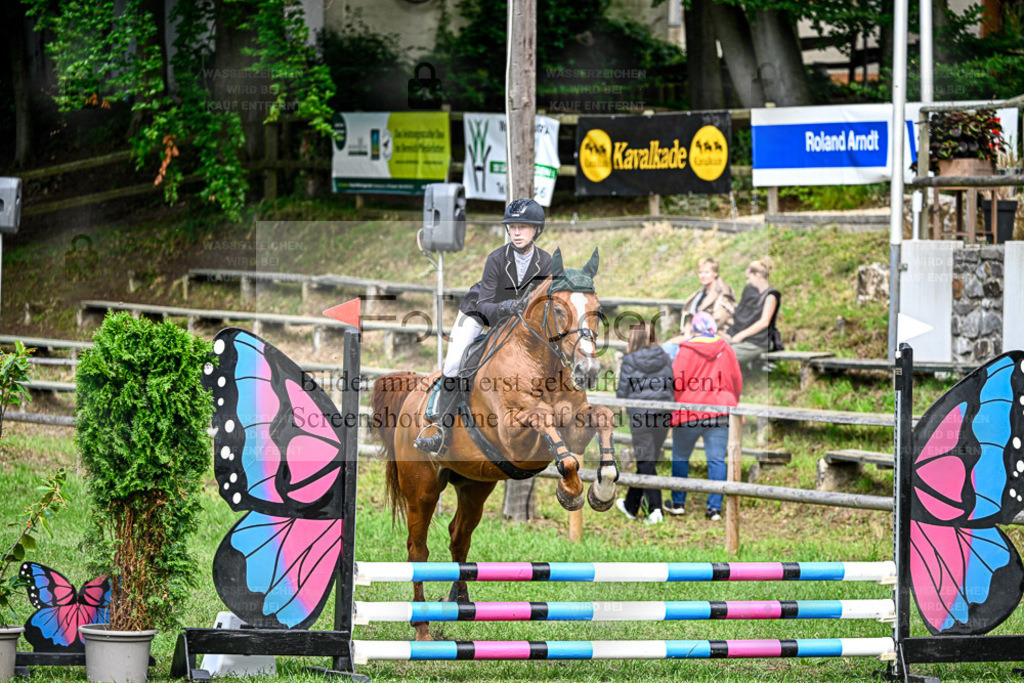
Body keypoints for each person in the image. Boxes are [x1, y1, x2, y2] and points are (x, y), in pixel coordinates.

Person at [414, 198, 553, 455]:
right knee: (455, 363)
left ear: (537, 230)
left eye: (523, 226)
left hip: (516, 321)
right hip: (479, 313)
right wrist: (507, 307)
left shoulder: (545, 262)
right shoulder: (497, 259)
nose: (516, 232)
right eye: (512, 226)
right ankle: (440, 432)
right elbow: (486, 303)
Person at [664, 312, 742, 521]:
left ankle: (678, 503)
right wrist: (731, 399)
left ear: (693, 328)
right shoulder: (727, 349)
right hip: (722, 411)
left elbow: (676, 382)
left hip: (691, 410)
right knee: (716, 459)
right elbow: (736, 380)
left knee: (680, 456)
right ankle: (714, 508)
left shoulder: (686, 350)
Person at [614, 322, 674, 525]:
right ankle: (631, 505)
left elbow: (622, 391)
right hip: (663, 414)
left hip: (641, 415)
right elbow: (671, 383)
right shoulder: (665, 356)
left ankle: (656, 510)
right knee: (647, 460)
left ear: (634, 338)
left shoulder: (629, 360)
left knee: (646, 461)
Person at [726, 257, 781, 368]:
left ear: (757, 275)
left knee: (725, 355)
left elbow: (764, 322)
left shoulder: (771, 296)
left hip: (760, 341)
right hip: (750, 339)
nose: (748, 281)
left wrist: (741, 335)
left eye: (749, 278)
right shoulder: (757, 294)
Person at [667, 257, 736, 345]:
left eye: (706, 272)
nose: (703, 276)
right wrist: (687, 331)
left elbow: (716, 321)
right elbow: (690, 316)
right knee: (667, 347)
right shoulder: (699, 294)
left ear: (715, 273)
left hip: (715, 336)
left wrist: (692, 332)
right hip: (693, 334)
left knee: (673, 349)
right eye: (700, 272)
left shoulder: (724, 294)